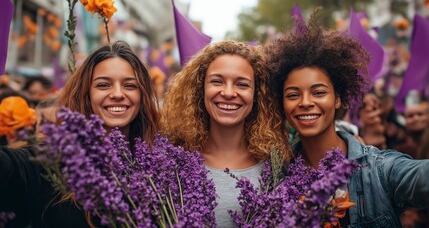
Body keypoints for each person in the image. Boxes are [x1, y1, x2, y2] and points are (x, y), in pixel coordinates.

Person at [265, 15, 429, 227]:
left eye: (318, 92)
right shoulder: (273, 178)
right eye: (293, 95)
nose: (305, 102)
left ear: (338, 98)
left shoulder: (379, 170)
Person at [0, 40, 159, 227]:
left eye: (130, 86)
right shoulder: (45, 163)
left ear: (142, 96)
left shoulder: (161, 167)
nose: (117, 93)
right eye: (103, 85)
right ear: (86, 93)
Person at [160, 40, 290, 227]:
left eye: (242, 84)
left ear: (257, 94)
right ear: (200, 89)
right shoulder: (171, 162)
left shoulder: (276, 167)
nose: (228, 92)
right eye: (217, 81)